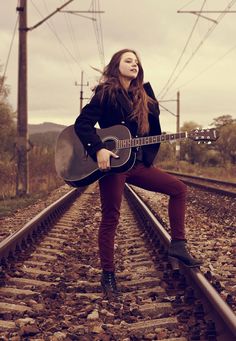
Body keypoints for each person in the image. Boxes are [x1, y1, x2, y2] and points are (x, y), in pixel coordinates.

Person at [74, 48, 202, 296]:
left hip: (139, 164)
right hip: (113, 167)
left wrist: (178, 138)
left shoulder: (145, 96)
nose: (134, 65)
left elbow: (152, 133)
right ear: (116, 66)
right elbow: (83, 125)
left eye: (137, 62)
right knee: (111, 217)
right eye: (128, 60)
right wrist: (99, 149)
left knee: (179, 189)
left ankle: (178, 244)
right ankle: (108, 275)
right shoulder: (106, 93)